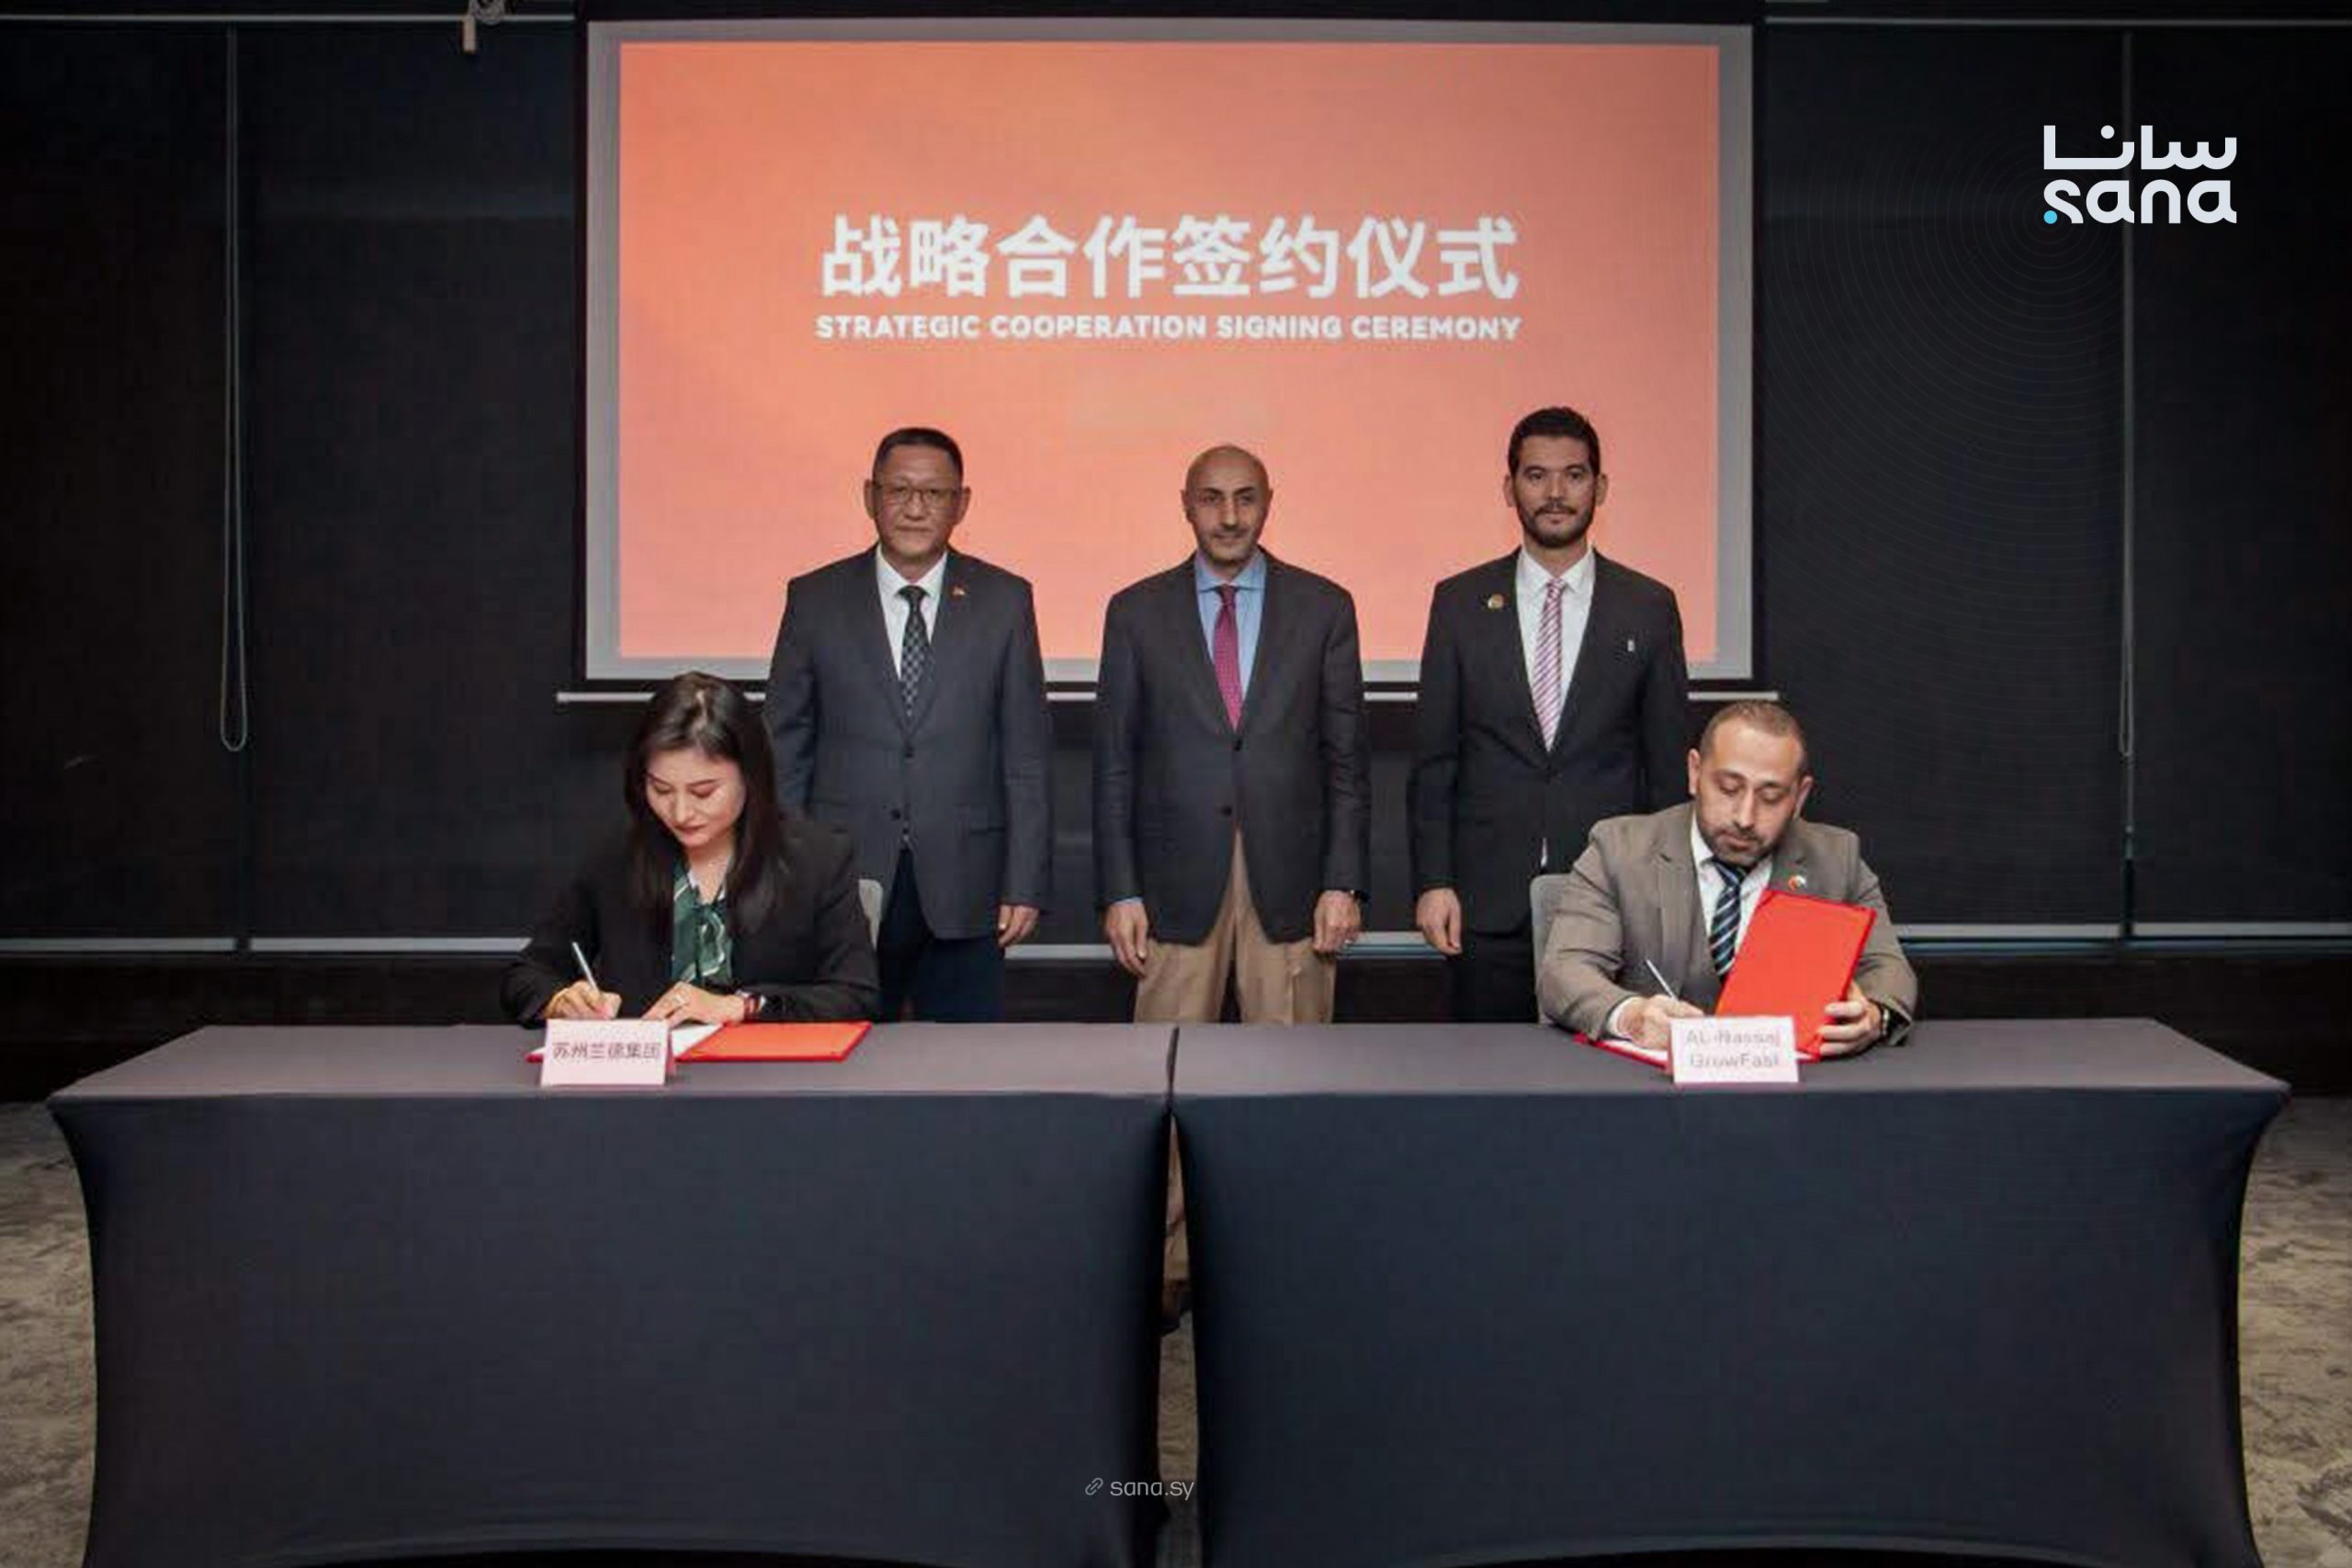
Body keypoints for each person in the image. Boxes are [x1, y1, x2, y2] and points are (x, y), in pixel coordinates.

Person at [1410, 404, 1690, 1021]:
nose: (1556, 493)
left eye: (1574, 475)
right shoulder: (1458, 602)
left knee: (1606, 1071)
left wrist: (1669, 896)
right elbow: (1435, 761)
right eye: (1536, 475)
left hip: (1614, 896)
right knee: (1485, 1072)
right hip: (1486, 902)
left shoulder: (1648, 606)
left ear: (1601, 487)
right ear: (1509, 488)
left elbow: (1667, 767)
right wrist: (1433, 882)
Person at [763, 427, 1051, 1021]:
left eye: (934, 493)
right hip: (843, 876)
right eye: (898, 490)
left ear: (961, 504)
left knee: (964, 1063)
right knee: (843, 1055)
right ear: (869, 496)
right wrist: (786, 871)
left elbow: (1026, 756)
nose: (915, 508)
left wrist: (1025, 881)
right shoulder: (814, 599)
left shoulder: (1005, 600)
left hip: (968, 879)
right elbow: (785, 746)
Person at [1093, 443, 1370, 1025]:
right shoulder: (1135, 612)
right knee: (1166, 1067)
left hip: (1294, 892)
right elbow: (1114, 766)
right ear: (1186, 506)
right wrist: (1120, 892)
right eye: (1211, 499)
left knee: (1290, 1075)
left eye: (1246, 500)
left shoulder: (1324, 608)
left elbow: (1346, 763)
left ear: (1269, 504)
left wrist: (1342, 883)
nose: (1229, 517)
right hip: (1171, 892)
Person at [1537, 700, 1917, 1055]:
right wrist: (1630, 1015)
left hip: (1787, 1082)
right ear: (1694, 772)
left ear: (1800, 797)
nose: (1745, 817)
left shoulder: (1836, 858)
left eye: (1771, 797)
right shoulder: (1620, 850)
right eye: (1728, 788)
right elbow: (1564, 972)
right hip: (1651, 1085)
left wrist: (1874, 1016)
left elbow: (1889, 969)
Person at [503, 671, 878, 1025]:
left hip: (768, 1068)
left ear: (751, 777)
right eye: (661, 790)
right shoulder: (615, 859)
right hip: (649, 1069)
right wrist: (562, 1000)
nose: (681, 812)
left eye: (703, 792)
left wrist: (741, 1007)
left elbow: (856, 995)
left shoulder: (817, 859)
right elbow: (528, 974)